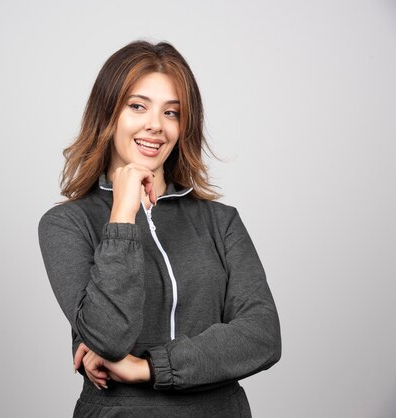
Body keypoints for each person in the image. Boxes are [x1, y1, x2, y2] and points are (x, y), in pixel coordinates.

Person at [38, 40, 281, 417]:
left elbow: (262, 337)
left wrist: (148, 367)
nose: (155, 125)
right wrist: (121, 213)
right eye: (137, 106)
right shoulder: (66, 224)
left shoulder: (221, 221)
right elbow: (108, 336)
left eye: (172, 113)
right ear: (108, 113)